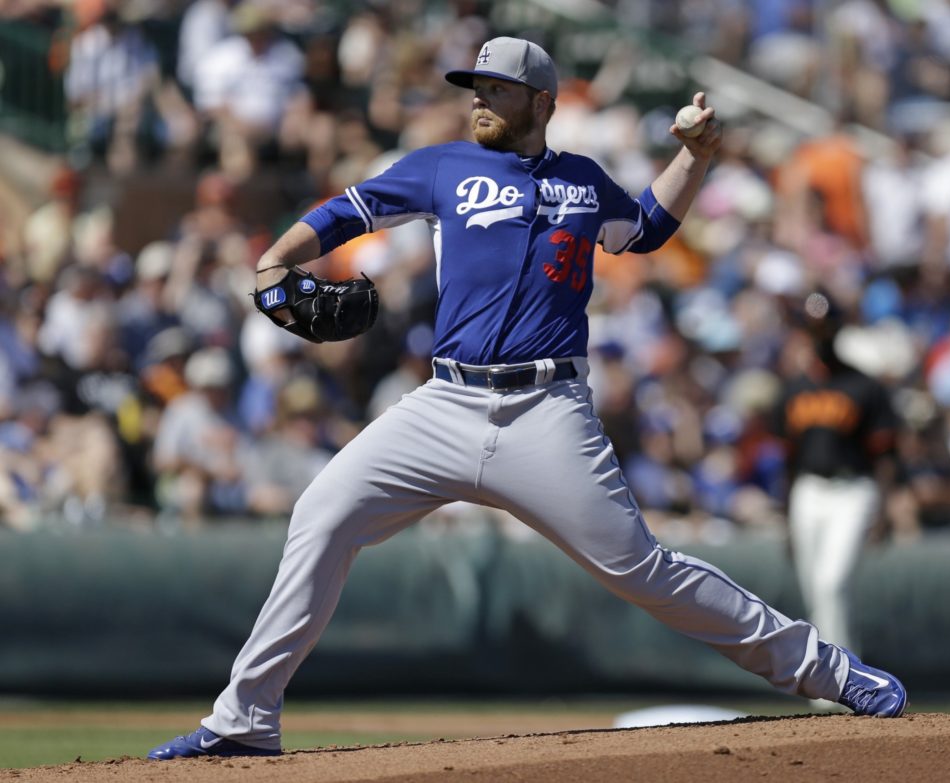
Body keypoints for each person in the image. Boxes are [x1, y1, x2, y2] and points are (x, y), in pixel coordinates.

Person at [148, 36, 907, 760]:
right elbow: (350, 209)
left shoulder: (582, 178)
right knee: (322, 514)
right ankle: (245, 718)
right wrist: (276, 259)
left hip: (548, 411)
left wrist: (692, 158)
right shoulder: (445, 167)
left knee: (641, 568)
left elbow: (639, 231)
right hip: (442, 405)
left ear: (539, 100)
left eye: (496, 88)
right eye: (475, 87)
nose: (479, 99)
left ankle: (830, 672)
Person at [772, 292, 901, 658]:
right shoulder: (793, 389)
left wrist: (885, 508)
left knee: (831, 584)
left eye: (826, 328)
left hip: (854, 490)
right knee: (815, 593)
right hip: (807, 491)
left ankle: (845, 678)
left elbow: (885, 455)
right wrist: (785, 517)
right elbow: (788, 459)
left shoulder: (865, 387)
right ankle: (826, 686)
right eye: (814, 329)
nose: (820, 336)